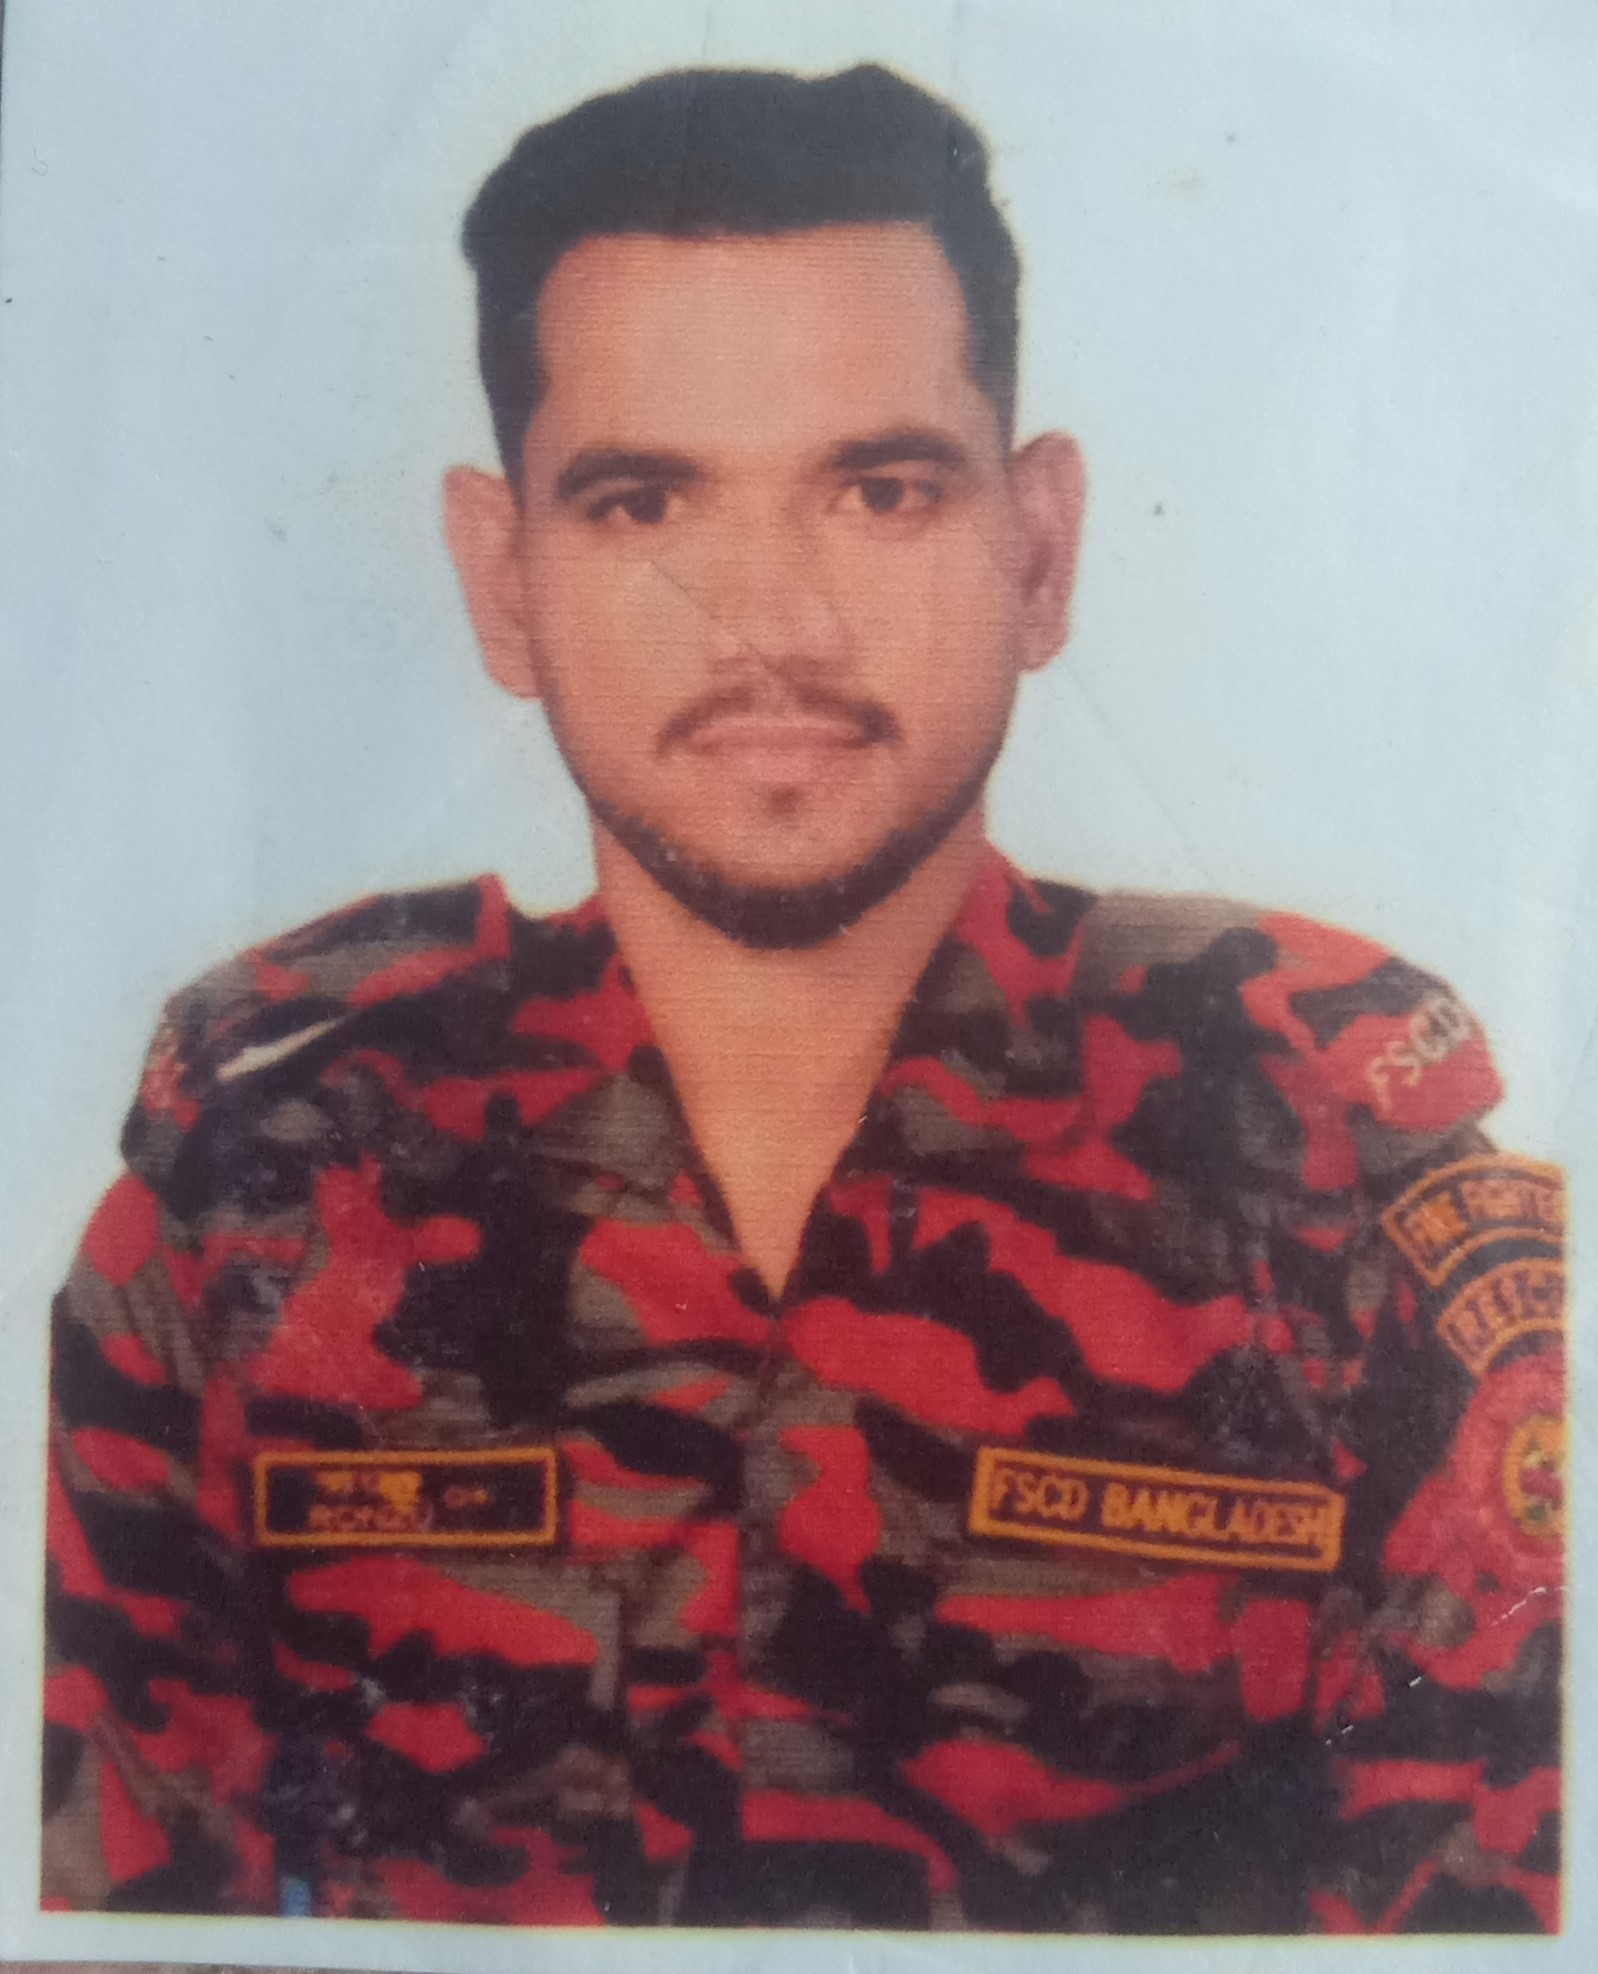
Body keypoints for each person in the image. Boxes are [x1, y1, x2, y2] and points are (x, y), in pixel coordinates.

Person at [42, 64, 1562, 1933]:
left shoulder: (1347, 1209)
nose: (767, 619)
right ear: (503, 581)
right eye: (642, 502)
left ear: (1037, 550)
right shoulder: (251, 1210)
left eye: (880, 489)